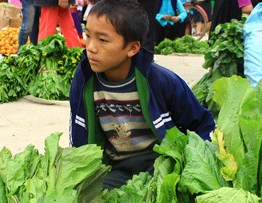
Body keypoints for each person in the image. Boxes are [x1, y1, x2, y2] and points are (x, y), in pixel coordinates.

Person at [69, 0, 215, 189]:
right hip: (117, 168)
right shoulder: (84, 80)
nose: (91, 47)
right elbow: (77, 131)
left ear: (132, 48)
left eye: (102, 40)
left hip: (160, 165)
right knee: (86, 197)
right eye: (87, 36)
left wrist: (193, 166)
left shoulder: (161, 81)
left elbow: (202, 124)